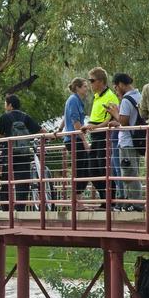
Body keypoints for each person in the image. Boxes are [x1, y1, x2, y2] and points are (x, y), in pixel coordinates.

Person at [81, 67, 119, 208]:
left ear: (101, 81)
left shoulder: (110, 96)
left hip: (105, 136)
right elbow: (95, 119)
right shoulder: (97, 97)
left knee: (105, 169)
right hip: (95, 136)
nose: (90, 84)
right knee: (92, 170)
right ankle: (105, 200)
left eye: (92, 81)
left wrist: (93, 127)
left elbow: (111, 120)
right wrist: (89, 126)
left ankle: (111, 201)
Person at [0, 94, 42, 211]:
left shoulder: (4, 117)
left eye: (5, 103)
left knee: (6, 181)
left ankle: (5, 207)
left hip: (9, 155)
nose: (4, 106)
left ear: (10, 105)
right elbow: (40, 130)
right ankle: (20, 207)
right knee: (22, 182)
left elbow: (0, 135)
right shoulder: (25, 117)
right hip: (24, 154)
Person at [106, 73, 143, 211]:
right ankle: (130, 203)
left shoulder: (127, 100)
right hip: (135, 141)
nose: (116, 90)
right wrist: (118, 121)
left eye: (116, 87)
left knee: (129, 174)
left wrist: (115, 113)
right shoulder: (138, 96)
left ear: (121, 84)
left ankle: (136, 204)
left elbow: (125, 122)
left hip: (127, 142)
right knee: (130, 172)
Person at [62, 77, 90, 206]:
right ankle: (77, 202)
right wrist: (84, 141)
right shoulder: (73, 100)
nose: (87, 88)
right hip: (75, 140)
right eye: (84, 86)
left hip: (75, 138)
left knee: (83, 168)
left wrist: (59, 129)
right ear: (78, 88)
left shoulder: (77, 100)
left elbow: (66, 117)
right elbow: (75, 122)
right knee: (80, 169)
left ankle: (78, 199)